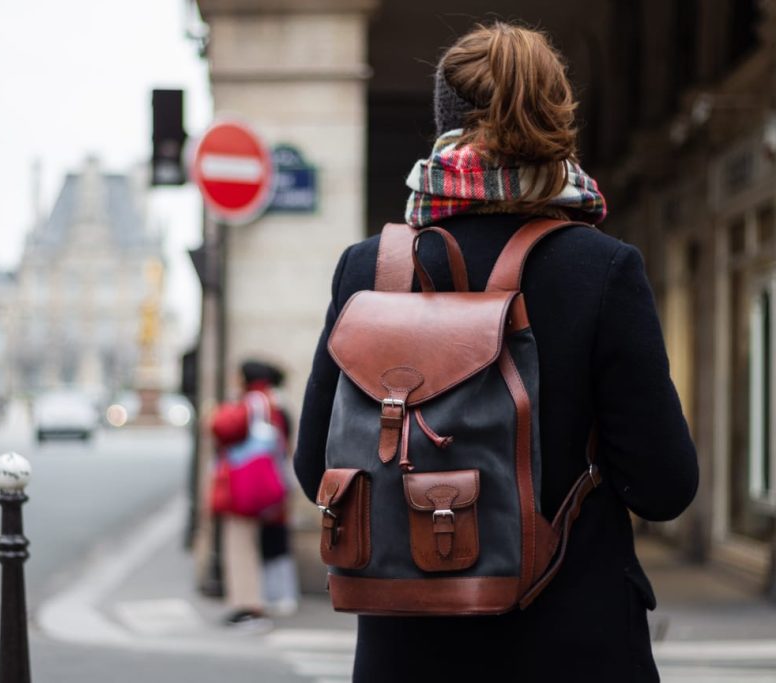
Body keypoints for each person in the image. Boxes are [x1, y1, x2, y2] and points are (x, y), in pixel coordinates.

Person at [293, 22, 698, 683]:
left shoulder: (369, 269)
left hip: (406, 651)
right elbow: (665, 485)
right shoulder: (603, 269)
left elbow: (318, 469)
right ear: (555, 118)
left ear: (442, 120)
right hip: (574, 646)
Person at [211, 360, 297, 630]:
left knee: (240, 544)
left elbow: (221, 427)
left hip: (244, 487)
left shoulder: (252, 402)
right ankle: (258, 602)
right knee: (259, 543)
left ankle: (248, 606)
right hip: (268, 484)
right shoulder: (273, 403)